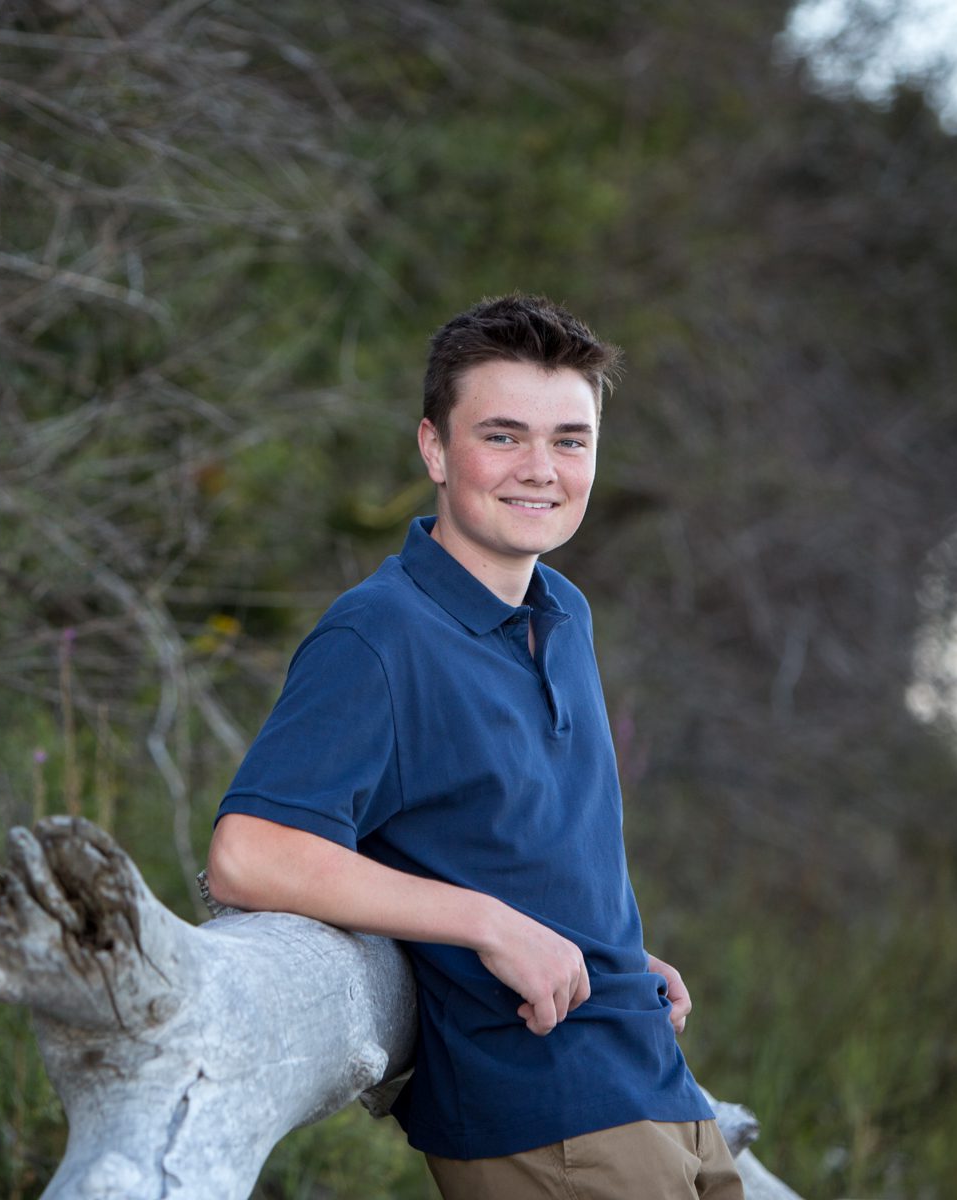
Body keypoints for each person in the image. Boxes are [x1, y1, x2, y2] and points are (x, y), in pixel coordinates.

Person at [205, 295, 743, 1199]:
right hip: (548, 1119)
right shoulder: (378, 637)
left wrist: (613, 954)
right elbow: (247, 855)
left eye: (570, 440)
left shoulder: (562, 614)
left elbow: (505, 831)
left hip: (653, 1077)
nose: (542, 469)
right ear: (433, 449)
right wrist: (490, 926)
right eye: (503, 436)